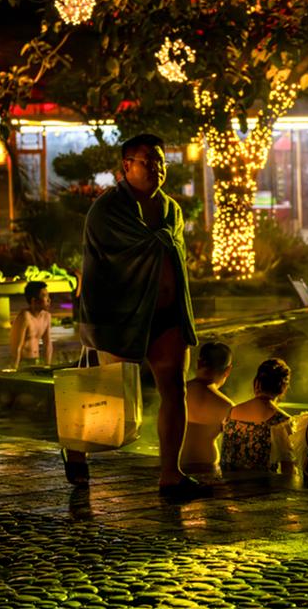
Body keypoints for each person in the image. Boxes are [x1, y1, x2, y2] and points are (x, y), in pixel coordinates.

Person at [64, 134, 203, 497]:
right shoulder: (107, 210)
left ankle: (170, 474)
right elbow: (113, 262)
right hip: (123, 314)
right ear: (126, 166)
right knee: (99, 387)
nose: (157, 169)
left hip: (167, 315)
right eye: (148, 162)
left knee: (175, 389)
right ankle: (75, 448)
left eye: (161, 162)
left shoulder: (171, 208)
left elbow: (172, 254)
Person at [220, 357, 294, 476]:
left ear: (257, 382)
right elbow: (288, 467)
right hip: (262, 490)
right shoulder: (280, 421)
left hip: (229, 487)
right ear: (283, 388)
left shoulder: (232, 411)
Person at [183, 342, 235, 478]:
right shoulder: (226, 405)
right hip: (207, 465)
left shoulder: (178, 392)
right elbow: (231, 448)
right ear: (228, 370)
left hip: (175, 462)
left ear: (199, 363)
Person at [10, 280, 53, 369]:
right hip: (23, 363)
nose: (49, 300)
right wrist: (15, 368)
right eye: (44, 296)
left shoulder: (47, 317)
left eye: (48, 295)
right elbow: (17, 347)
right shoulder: (25, 317)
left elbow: (48, 344)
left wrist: (48, 366)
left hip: (36, 360)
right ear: (34, 300)